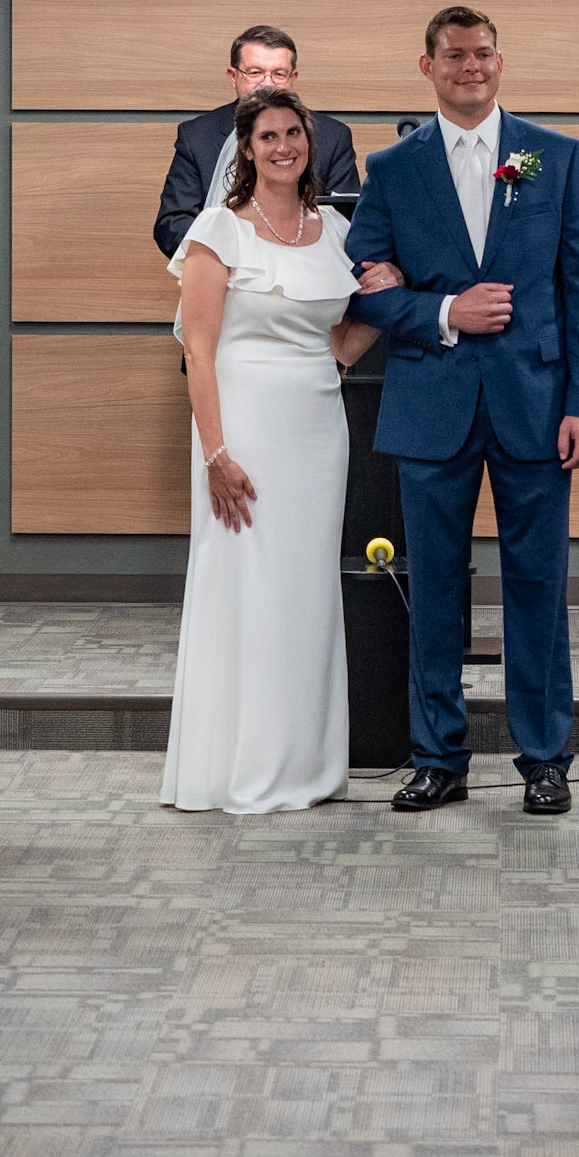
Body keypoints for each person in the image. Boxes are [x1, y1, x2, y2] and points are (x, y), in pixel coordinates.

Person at [344, 7, 579, 818]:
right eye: (454, 54)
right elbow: (361, 290)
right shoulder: (391, 169)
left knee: (538, 587)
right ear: (426, 66)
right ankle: (436, 757)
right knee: (431, 589)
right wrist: (442, 311)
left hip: (537, 405)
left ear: (500, 61)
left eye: (483, 53)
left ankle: (544, 759)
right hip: (432, 404)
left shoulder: (553, 156)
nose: (471, 66)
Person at [161, 88, 389, 813]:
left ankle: (305, 766)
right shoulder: (217, 230)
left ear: (309, 144)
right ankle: (239, 766)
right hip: (243, 430)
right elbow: (198, 352)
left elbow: (340, 347)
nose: (284, 146)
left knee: (307, 591)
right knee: (249, 587)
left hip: (318, 429)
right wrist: (215, 454)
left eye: (294, 133)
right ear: (247, 148)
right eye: (268, 136)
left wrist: (389, 296)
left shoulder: (334, 232)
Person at [153, 25, 361, 260]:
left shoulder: (333, 136)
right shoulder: (197, 136)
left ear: (293, 78)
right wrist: (224, 261)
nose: (267, 83)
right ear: (233, 77)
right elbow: (173, 222)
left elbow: (347, 220)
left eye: (279, 74)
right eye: (255, 73)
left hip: (306, 265)